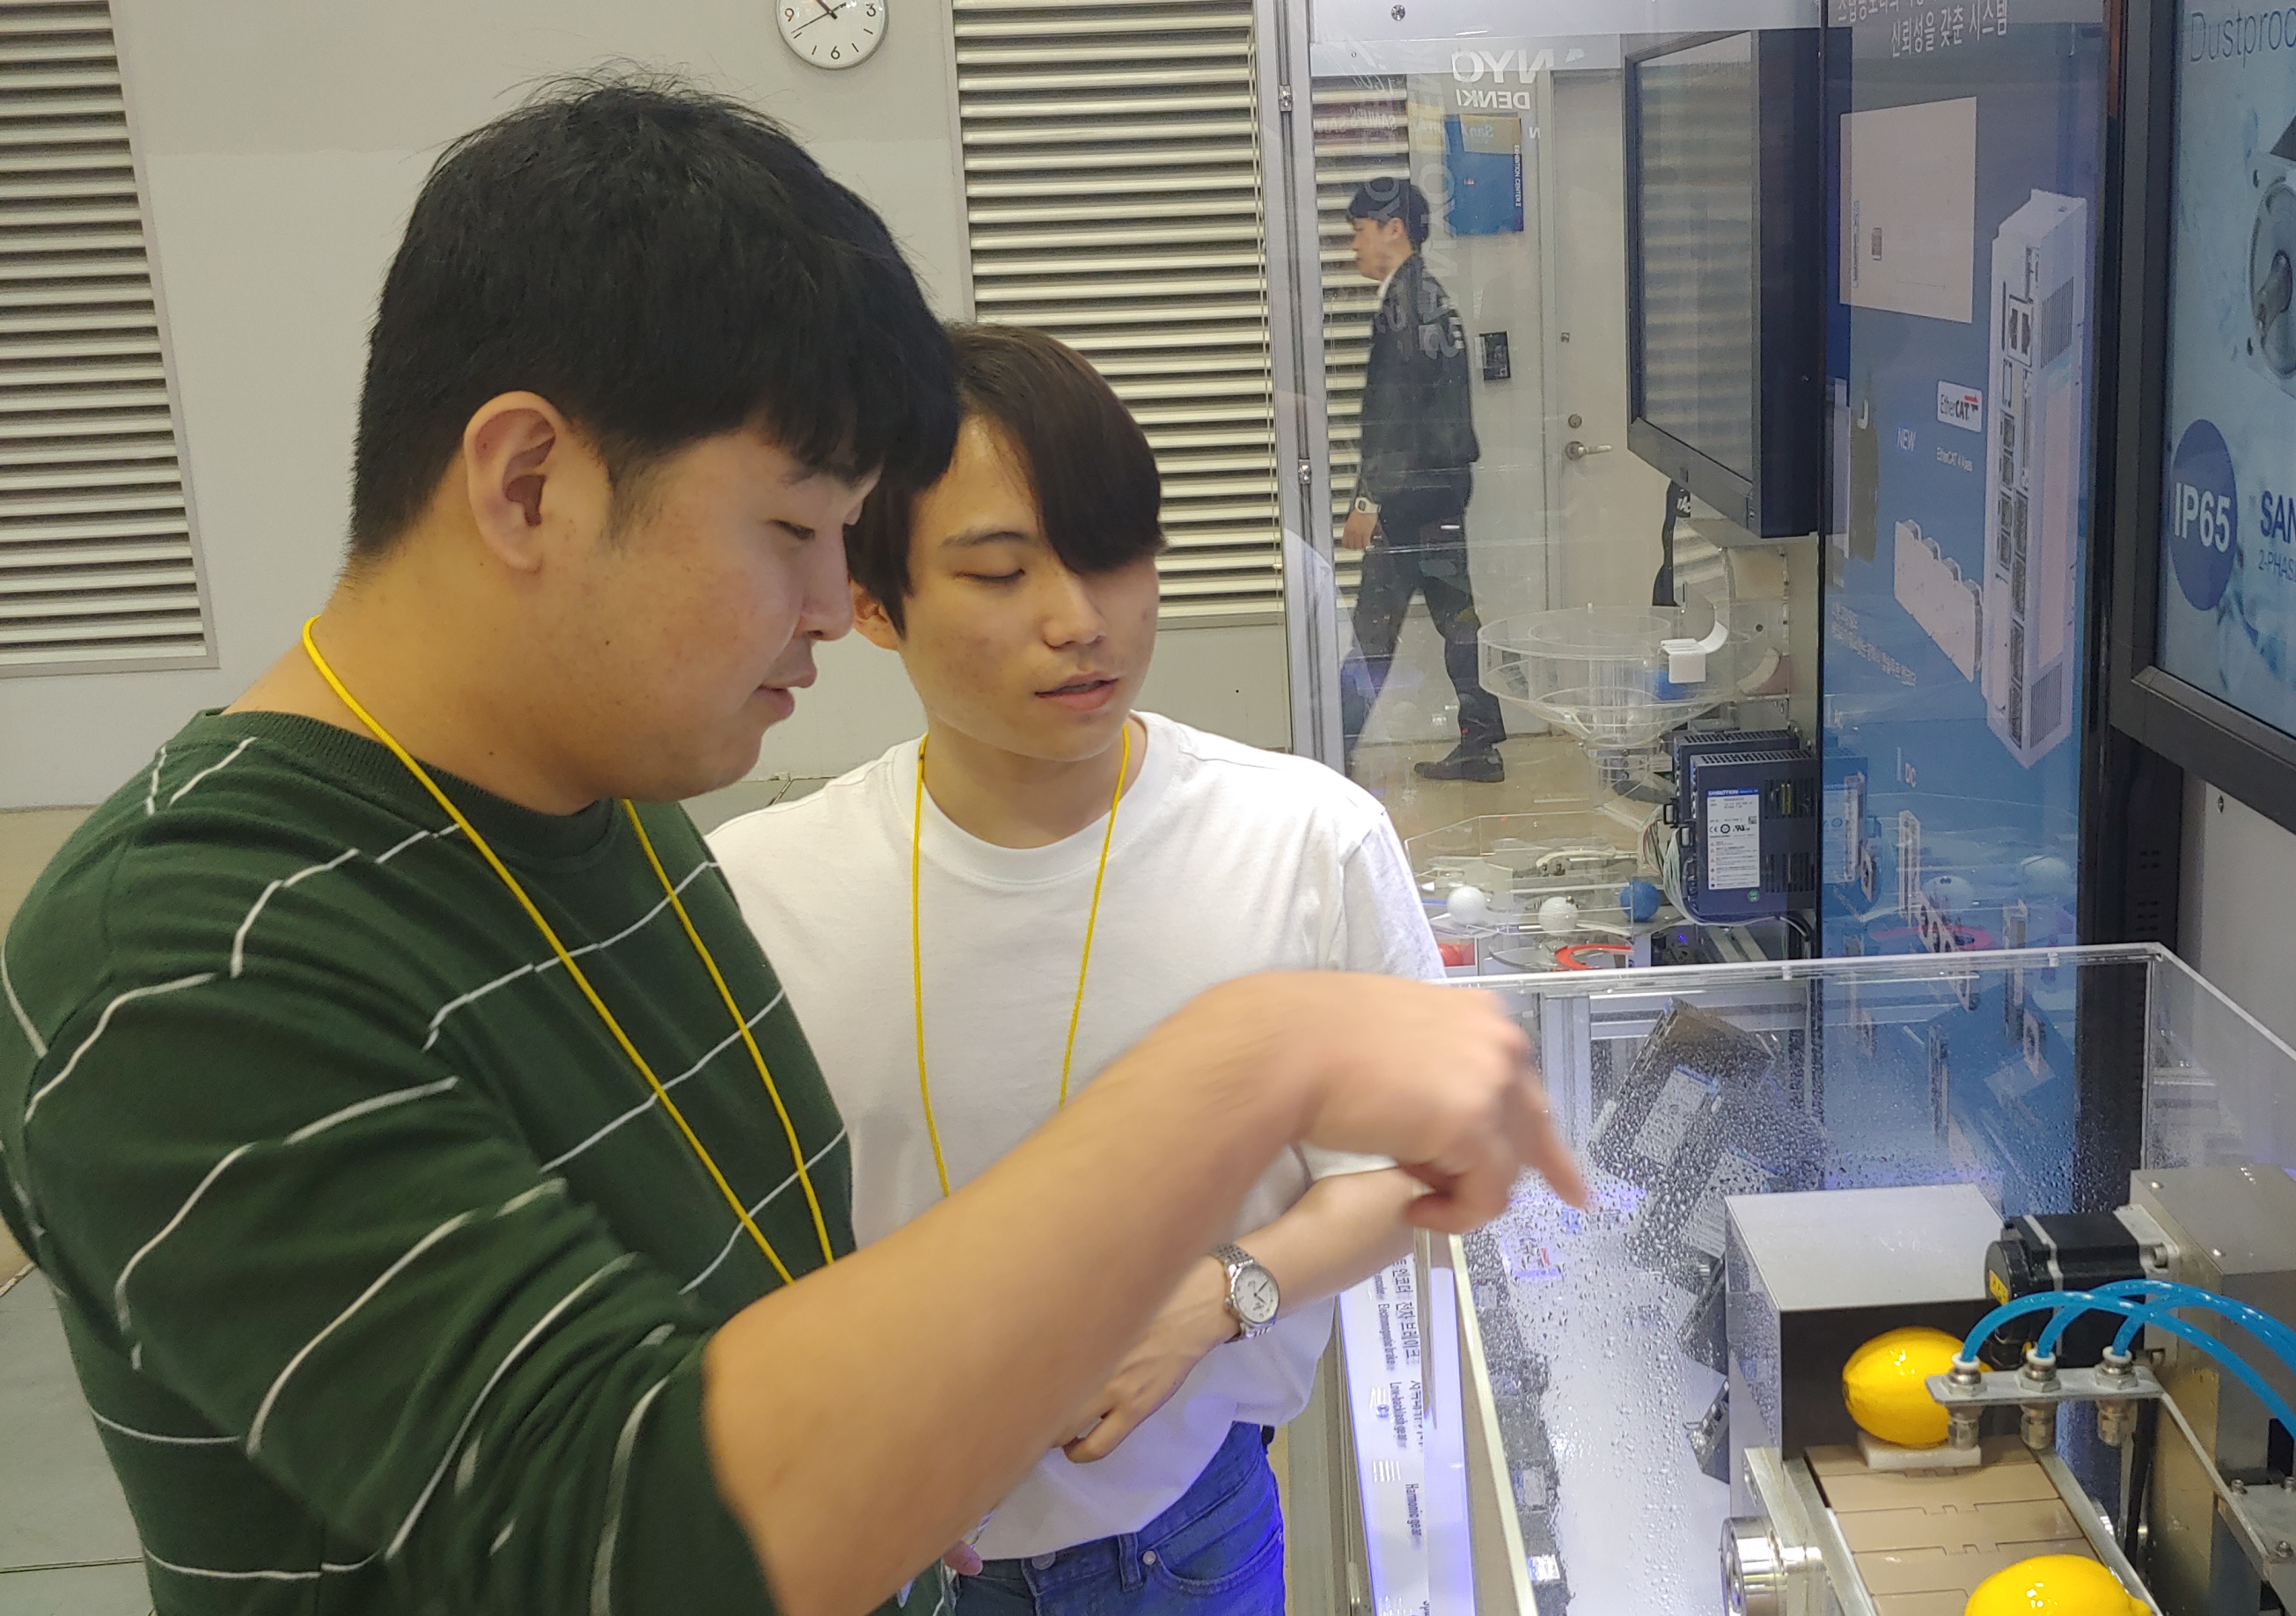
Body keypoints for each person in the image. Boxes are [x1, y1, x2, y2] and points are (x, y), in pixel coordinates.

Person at [0, 79, 1578, 1616]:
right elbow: (637, 1539)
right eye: (791, 531)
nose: (835, 608)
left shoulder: (620, 834)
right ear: (530, 484)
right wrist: (1247, 1067)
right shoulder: (184, 953)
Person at [709, 322, 1440, 1616]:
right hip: (880, 1554)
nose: (1081, 621)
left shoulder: (1305, 841)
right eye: (1000, 573)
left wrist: (1220, 1294)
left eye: (1113, 556)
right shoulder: (760, 892)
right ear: (872, 602)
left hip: (1184, 1539)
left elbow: (1417, 1169)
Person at [1338, 175, 1507, 784]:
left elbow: (1394, 414)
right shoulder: (1426, 297)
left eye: (1360, 231)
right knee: (1456, 618)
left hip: (1409, 496)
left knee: (1373, 629)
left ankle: (1330, 749)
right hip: (1439, 488)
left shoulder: (1407, 306)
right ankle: (1481, 743)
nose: (1354, 245)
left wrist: (1368, 499)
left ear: (1394, 230)